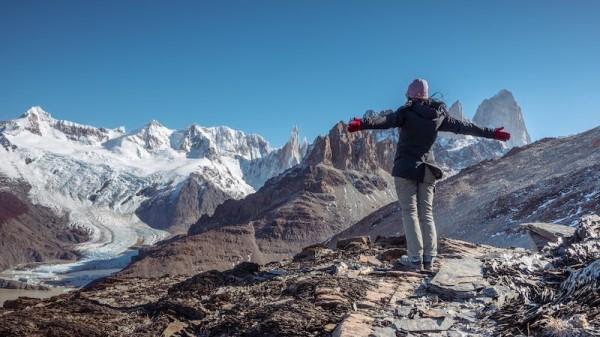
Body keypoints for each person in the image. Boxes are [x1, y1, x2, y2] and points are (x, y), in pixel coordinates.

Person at [347, 79, 510, 272]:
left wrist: (362, 124)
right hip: (428, 170)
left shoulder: (405, 113)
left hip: (405, 169)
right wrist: (492, 133)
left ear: (410, 96)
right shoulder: (439, 116)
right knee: (426, 213)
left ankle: (415, 259)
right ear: (426, 96)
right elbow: (465, 127)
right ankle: (429, 258)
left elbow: (386, 120)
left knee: (410, 213)